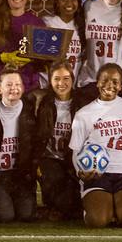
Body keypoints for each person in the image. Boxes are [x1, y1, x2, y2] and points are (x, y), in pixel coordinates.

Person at [70, 63, 122, 228]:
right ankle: (101, 205)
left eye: (115, 81)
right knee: (98, 221)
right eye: (105, 80)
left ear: (121, 85)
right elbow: (76, 149)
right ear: (97, 82)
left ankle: (117, 204)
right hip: (98, 173)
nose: (110, 85)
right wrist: (81, 172)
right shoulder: (84, 114)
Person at [0, 66, 44, 222]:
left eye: (17, 84)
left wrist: (32, 172)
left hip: (20, 174)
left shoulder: (31, 111)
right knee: (6, 216)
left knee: (26, 215)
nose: (14, 88)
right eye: (8, 85)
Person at [34, 60, 82, 220]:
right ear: (50, 80)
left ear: (73, 79)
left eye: (66, 78)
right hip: (50, 158)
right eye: (56, 79)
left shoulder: (82, 103)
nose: (61, 83)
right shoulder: (42, 102)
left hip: (72, 157)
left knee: (74, 200)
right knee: (60, 191)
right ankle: (55, 205)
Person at [40, 0, 86, 86]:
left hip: (72, 85)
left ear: (79, 2)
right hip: (48, 84)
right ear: (57, 2)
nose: (68, 3)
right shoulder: (47, 22)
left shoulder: (82, 26)